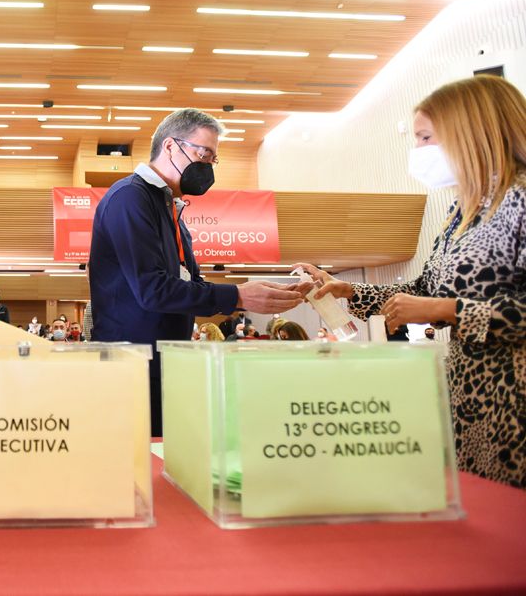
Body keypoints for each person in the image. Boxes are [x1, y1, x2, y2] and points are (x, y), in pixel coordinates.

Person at [297, 75, 525, 489]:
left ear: (470, 133)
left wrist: (445, 311)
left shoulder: (520, 200)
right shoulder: (463, 211)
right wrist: (352, 291)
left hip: (516, 401)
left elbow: (439, 304)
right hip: (472, 400)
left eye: (425, 138)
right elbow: (426, 289)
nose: (417, 151)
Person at [89, 108, 306, 435]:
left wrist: (249, 297)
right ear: (170, 147)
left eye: (212, 159)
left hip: (164, 363)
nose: (206, 166)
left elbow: (188, 284)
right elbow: (153, 290)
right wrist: (238, 295)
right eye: (202, 154)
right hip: (132, 367)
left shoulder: (171, 208)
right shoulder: (130, 198)